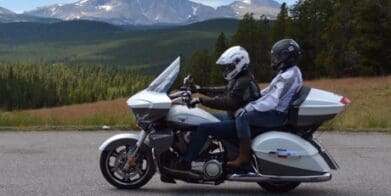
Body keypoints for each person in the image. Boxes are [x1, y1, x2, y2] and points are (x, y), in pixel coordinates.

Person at [167, 46, 260, 172]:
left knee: (204, 128)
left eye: (230, 66)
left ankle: (186, 162)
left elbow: (228, 102)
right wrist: (199, 89)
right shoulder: (240, 78)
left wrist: (202, 100)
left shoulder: (244, 81)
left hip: (238, 123)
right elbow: (223, 90)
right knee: (201, 117)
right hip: (233, 118)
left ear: (240, 63)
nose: (227, 69)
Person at [227, 38, 304, 168]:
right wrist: (254, 97)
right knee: (243, 113)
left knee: (242, 118)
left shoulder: (288, 76)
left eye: (280, 56)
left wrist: (248, 108)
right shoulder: (288, 72)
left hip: (278, 114)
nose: (277, 59)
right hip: (277, 111)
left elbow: (272, 101)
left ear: (289, 57)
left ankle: (243, 157)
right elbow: (269, 91)